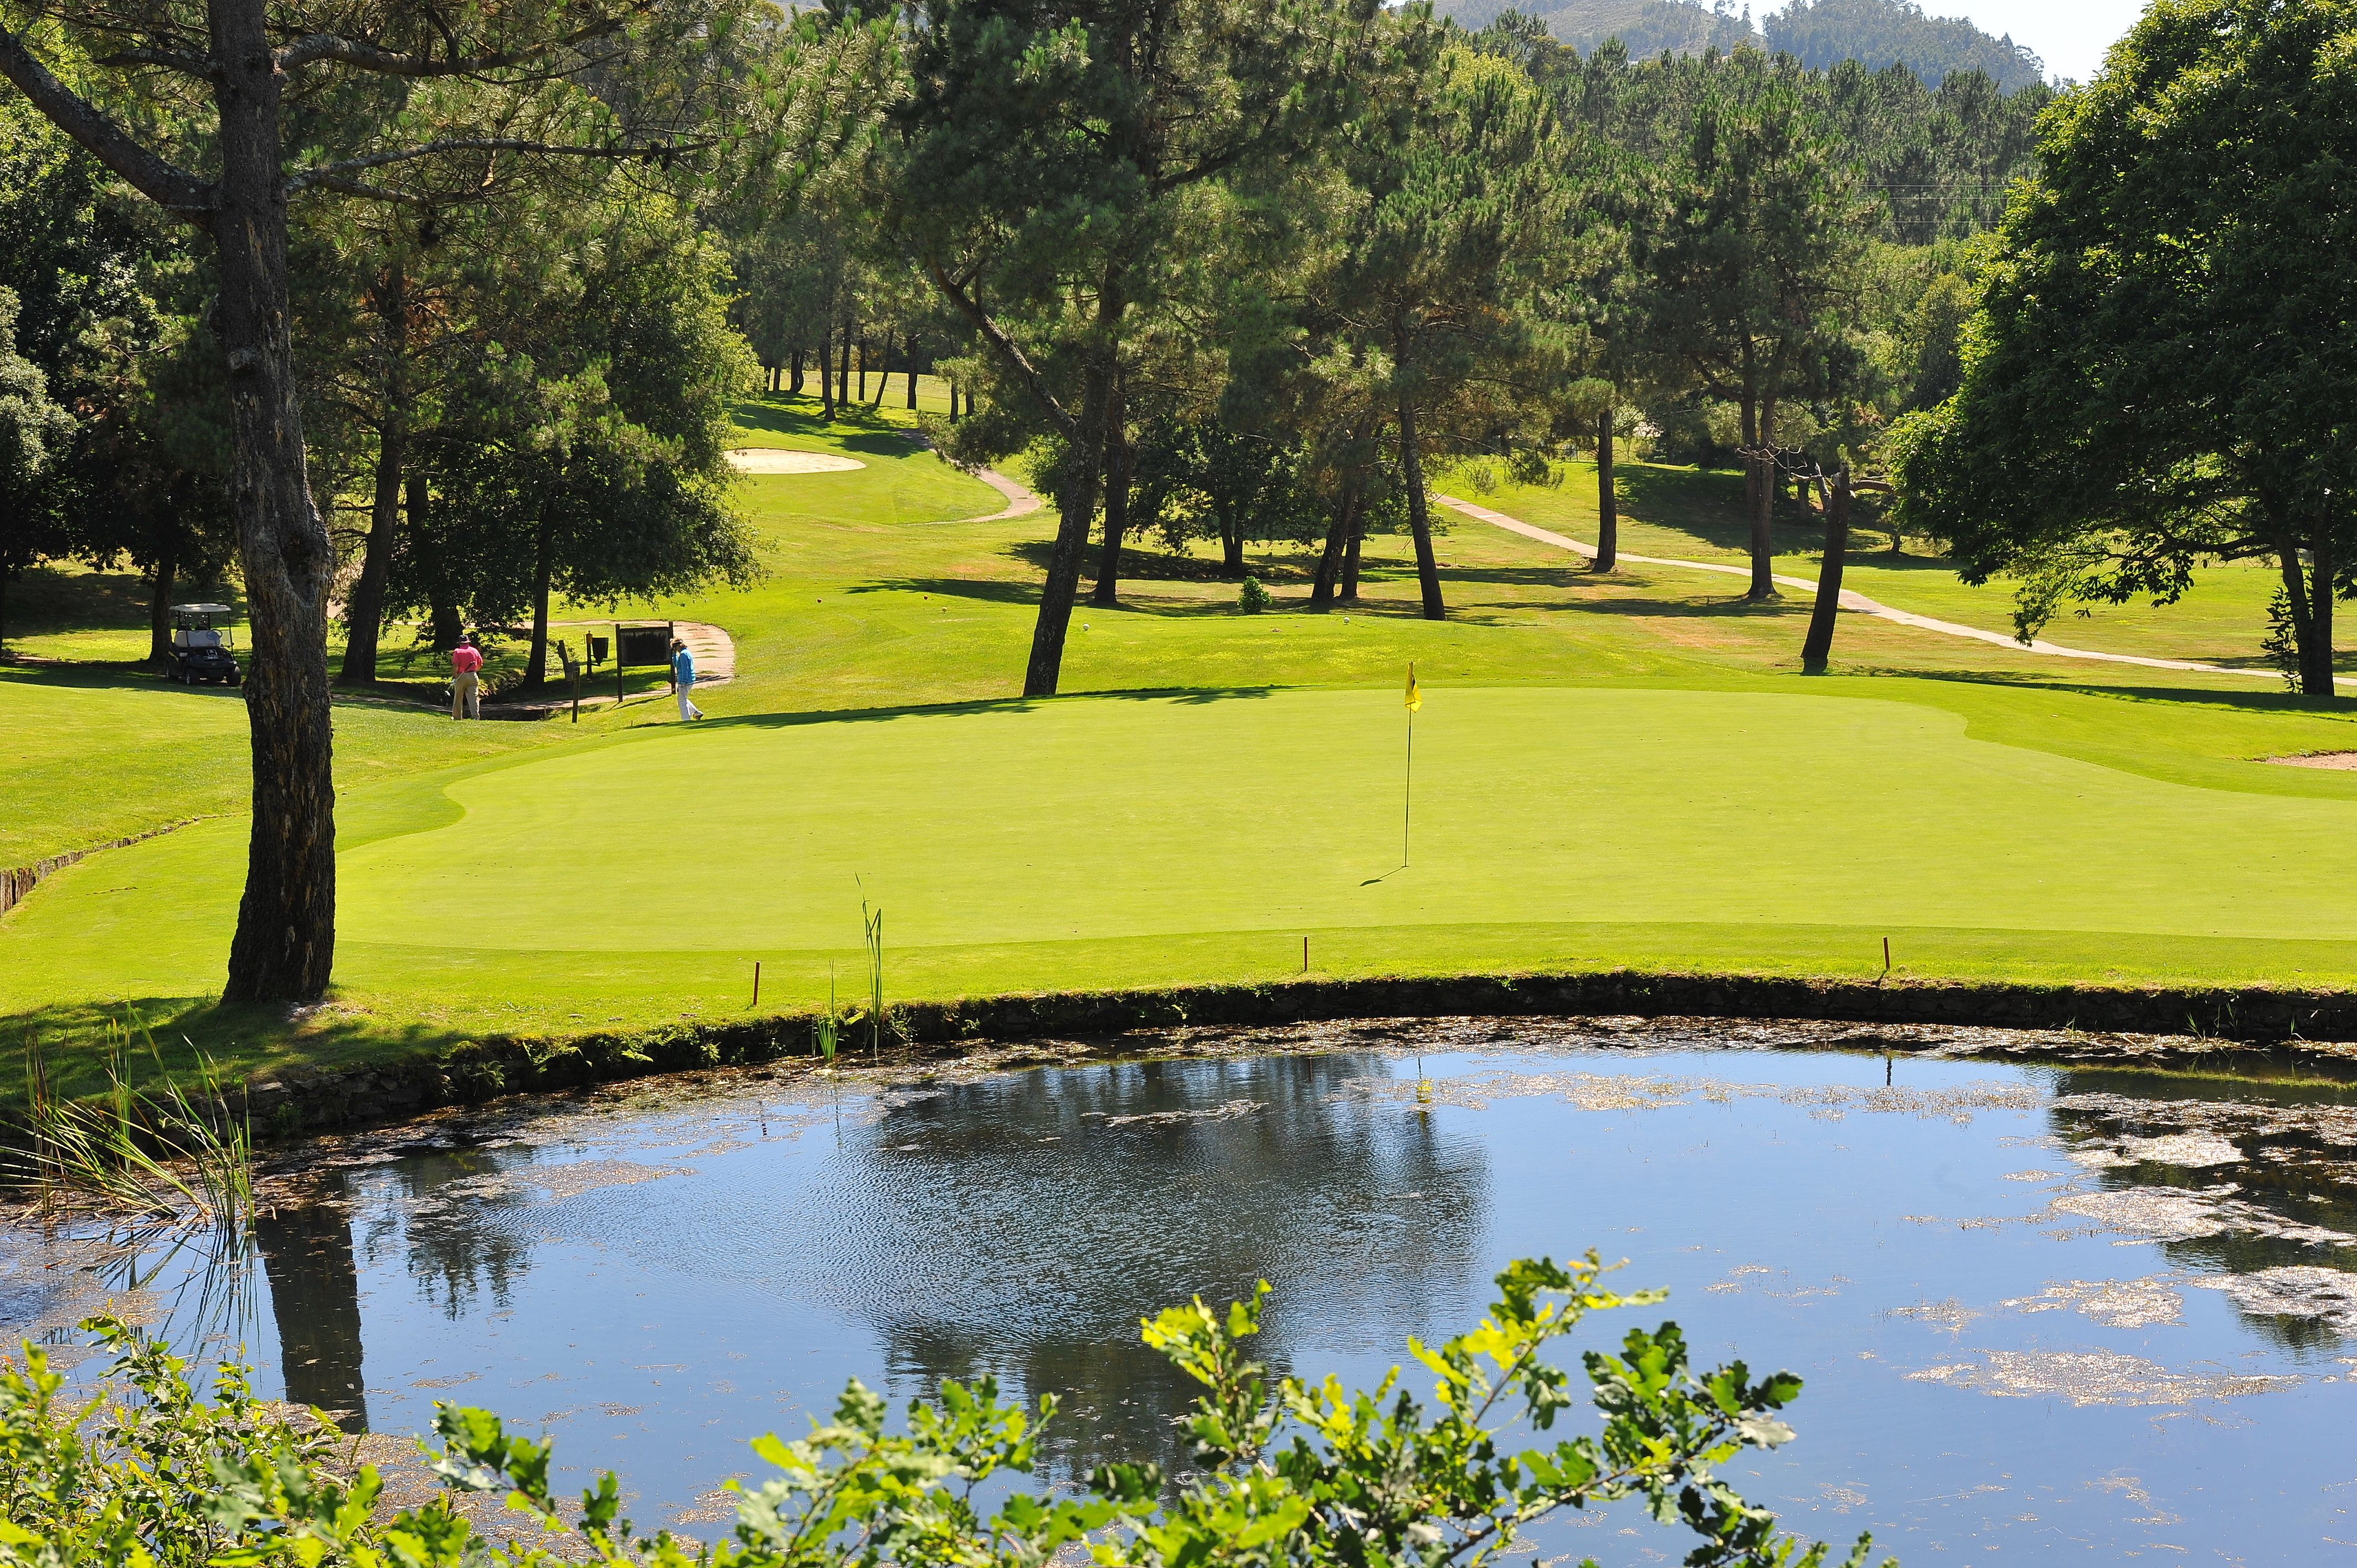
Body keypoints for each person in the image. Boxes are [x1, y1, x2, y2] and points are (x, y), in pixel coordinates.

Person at [450, 633, 483, 720]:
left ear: (460, 643)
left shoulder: (458, 651)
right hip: (473, 675)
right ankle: (476, 717)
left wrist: (454, 677)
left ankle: (457, 717)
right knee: (474, 697)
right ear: (468, 642)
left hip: (461, 676)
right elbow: (480, 664)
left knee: (458, 696)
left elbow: (456, 665)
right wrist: (475, 671)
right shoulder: (475, 651)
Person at [671, 636, 703, 721]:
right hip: (689, 679)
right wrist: (674, 655)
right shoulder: (685, 653)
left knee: (682, 702)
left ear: (678, 646)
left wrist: (683, 682)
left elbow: (685, 669)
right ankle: (696, 713)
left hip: (686, 680)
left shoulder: (684, 655)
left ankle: (686, 720)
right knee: (682, 699)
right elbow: (677, 665)